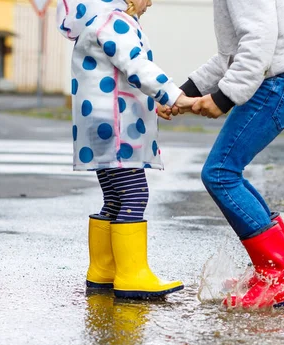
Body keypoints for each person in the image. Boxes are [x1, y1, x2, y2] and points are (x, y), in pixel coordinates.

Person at [171, 0, 284, 309]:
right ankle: (276, 270)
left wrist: (225, 97)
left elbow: (259, 40)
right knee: (228, 171)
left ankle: (280, 275)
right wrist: (184, 93)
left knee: (220, 173)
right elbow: (231, 56)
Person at [57, 0, 194, 299]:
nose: (151, 3)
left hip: (100, 128)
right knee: (134, 194)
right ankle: (133, 274)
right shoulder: (115, 21)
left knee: (115, 197)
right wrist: (173, 95)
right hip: (118, 127)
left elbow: (120, 72)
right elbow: (136, 65)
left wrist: (156, 102)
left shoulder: (93, 23)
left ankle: (103, 271)